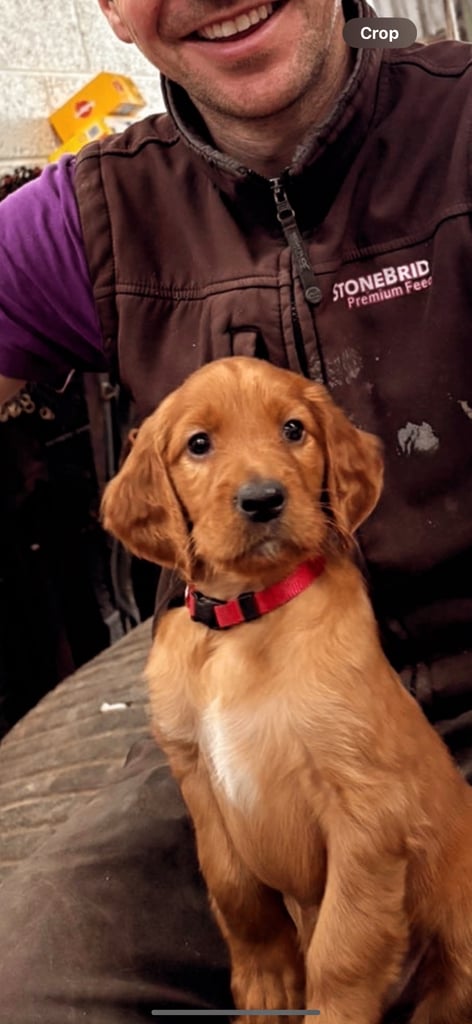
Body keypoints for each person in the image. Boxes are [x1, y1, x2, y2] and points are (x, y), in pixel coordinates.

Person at [0, 0, 471, 1020]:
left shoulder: (458, 112)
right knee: (31, 973)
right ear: (113, 12)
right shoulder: (86, 213)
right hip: (235, 700)